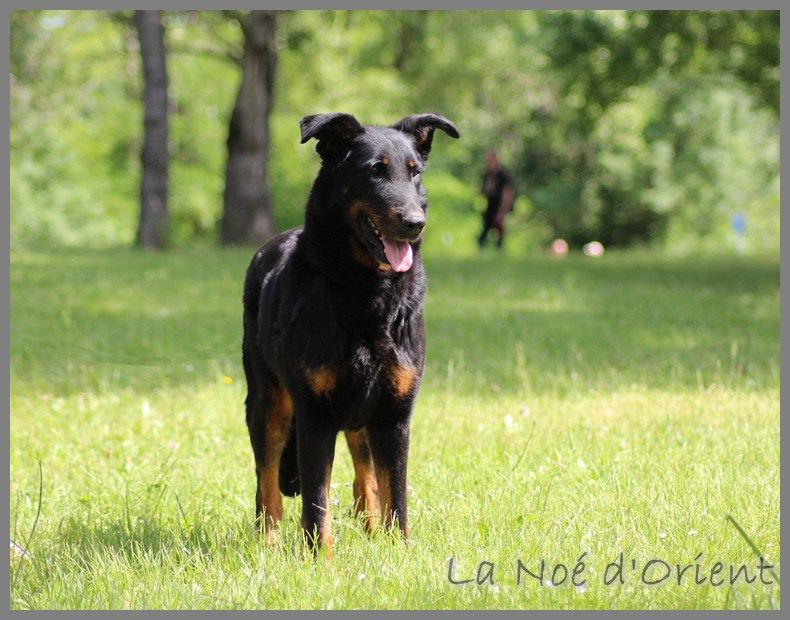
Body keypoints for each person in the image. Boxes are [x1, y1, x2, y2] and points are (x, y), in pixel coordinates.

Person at [478, 149, 515, 249]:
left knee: (499, 231)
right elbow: (482, 191)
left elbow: (508, 193)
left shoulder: (503, 174)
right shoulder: (487, 174)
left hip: (500, 206)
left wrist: (502, 211)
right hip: (490, 206)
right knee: (485, 230)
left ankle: (499, 250)